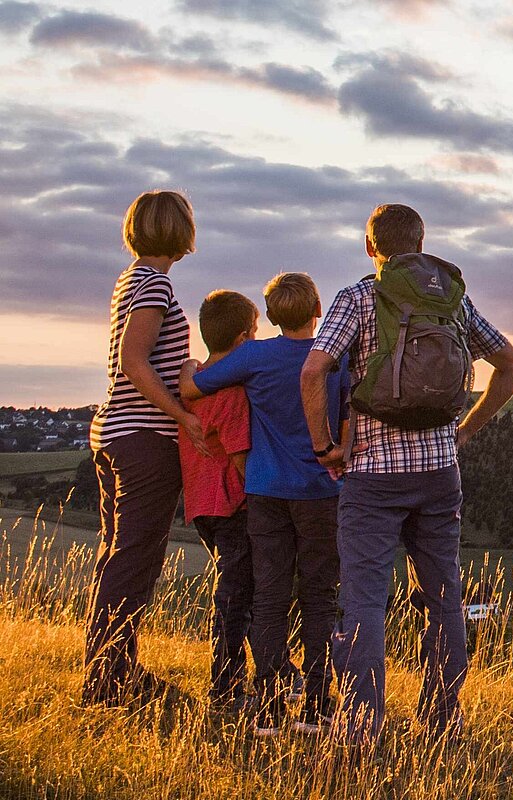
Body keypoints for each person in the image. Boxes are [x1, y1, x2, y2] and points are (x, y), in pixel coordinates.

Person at [304, 204, 513, 742]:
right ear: (423, 243)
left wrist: (324, 447)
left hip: (372, 475)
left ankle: (360, 728)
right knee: (444, 597)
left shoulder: (360, 295)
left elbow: (314, 370)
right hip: (438, 473)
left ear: (370, 247)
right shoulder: (452, 299)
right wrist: (465, 432)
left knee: (363, 599)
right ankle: (443, 720)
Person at [182, 272, 350, 738]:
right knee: (320, 597)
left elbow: (194, 390)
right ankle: (316, 708)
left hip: (265, 493)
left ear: (270, 316)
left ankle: (270, 706)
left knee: (270, 596)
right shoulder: (333, 359)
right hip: (321, 493)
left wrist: (189, 365)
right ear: (319, 310)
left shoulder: (253, 356)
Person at [83, 189, 208, 707]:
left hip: (113, 431)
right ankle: (108, 680)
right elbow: (136, 363)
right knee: (135, 557)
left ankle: (114, 669)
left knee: (119, 555)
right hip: (144, 437)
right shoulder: (154, 287)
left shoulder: (131, 280)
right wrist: (182, 413)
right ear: (180, 231)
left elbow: (137, 361)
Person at [178, 290, 258, 714]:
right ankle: (226, 691)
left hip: (201, 507)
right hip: (233, 506)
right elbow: (241, 458)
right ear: (244, 339)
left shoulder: (190, 387)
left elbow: (190, 369)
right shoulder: (231, 393)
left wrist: (190, 364)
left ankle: (274, 673)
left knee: (239, 591)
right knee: (235, 595)